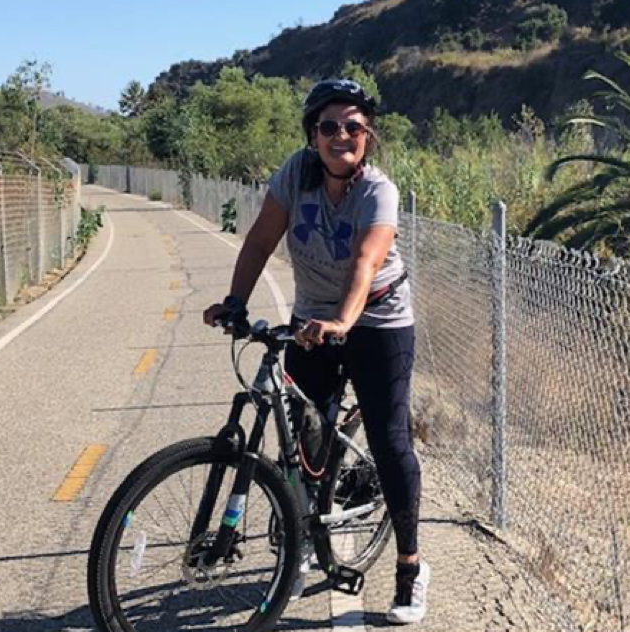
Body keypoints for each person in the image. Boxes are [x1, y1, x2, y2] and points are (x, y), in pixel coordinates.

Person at [203, 78, 429, 625]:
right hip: (312, 321)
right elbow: (259, 239)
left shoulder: (379, 190)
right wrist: (235, 301)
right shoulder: (296, 174)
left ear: (368, 137)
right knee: (305, 438)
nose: (341, 135)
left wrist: (343, 321)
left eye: (354, 126)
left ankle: (410, 567)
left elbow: (366, 261)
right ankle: (304, 537)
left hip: (376, 320)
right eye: (329, 126)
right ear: (313, 135)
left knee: (389, 437)